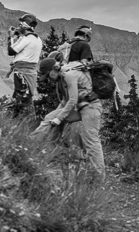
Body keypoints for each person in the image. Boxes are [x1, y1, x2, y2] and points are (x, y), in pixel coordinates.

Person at [30, 51, 106, 182]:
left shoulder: (69, 75)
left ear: (54, 69)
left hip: (91, 107)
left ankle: (99, 178)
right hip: (78, 106)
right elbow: (65, 101)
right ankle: (31, 144)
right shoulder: (61, 77)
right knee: (49, 118)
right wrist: (56, 116)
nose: (48, 78)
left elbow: (72, 100)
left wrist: (59, 118)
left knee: (91, 140)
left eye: (48, 75)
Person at [7, 13, 43, 117]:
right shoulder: (37, 39)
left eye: (20, 25)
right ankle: (24, 120)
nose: (18, 27)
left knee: (21, 97)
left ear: (25, 25)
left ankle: (23, 121)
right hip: (31, 72)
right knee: (26, 97)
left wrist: (10, 37)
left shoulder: (26, 39)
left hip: (21, 72)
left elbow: (11, 51)